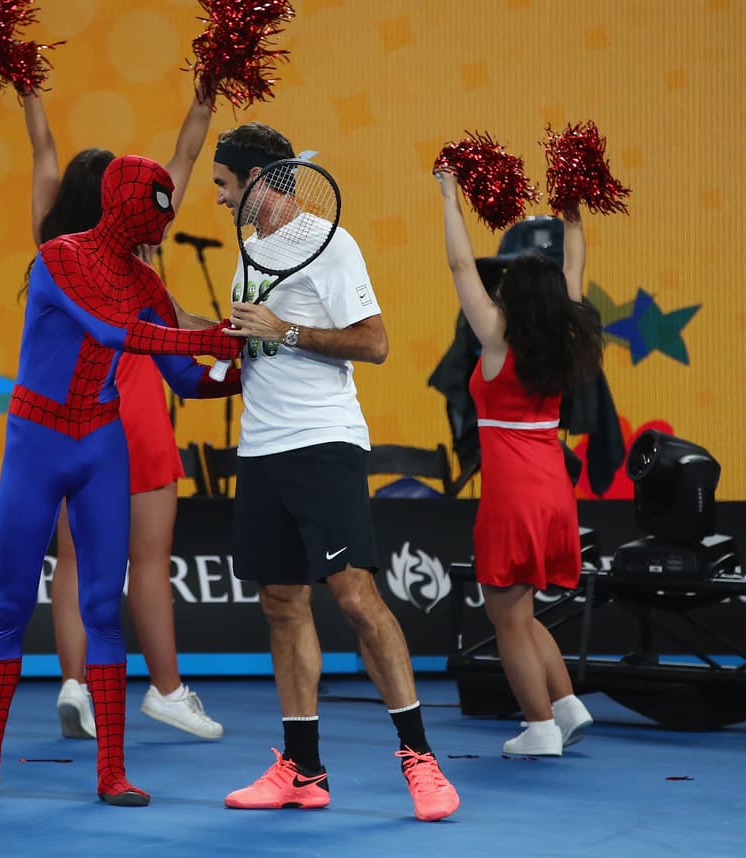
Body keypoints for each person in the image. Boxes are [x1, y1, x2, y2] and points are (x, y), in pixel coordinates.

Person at [0, 155, 242, 807]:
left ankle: (112, 772)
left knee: (104, 608)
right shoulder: (59, 258)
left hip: (100, 440)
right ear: (126, 204)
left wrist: (251, 371)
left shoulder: (146, 281)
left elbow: (186, 381)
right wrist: (211, 339)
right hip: (36, 441)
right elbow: (111, 329)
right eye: (158, 205)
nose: (165, 219)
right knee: (12, 604)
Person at [211, 122, 460, 822]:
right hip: (261, 450)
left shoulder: (331, 243)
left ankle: (420, 758)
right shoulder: (251, 251)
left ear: (260, 180)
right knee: (281, 605)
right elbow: (259, 351)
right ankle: (302, 771)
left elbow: (374, 343)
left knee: (354, 598)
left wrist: (283, 330)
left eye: (226, 185)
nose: (219, 200)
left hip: (324, 445)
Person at [21, 89, 225, 741]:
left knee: (74, 561)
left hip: (68, 417)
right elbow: (184, 157)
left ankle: (74, 686)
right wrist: (204, 95)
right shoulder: (136, 260)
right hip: (133, 411)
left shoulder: (52, 247)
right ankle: (166, 692)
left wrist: (28, 92)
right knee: (149, 563)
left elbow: (43, 152)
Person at [433, 168, 601, 756]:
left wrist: (450, 197)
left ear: (514, 298)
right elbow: (575, 270)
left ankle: (539, 729)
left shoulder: (498, 338)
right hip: (555, 489)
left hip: (512, 496)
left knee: (505, 615)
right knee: (523, 610)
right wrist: (573, 216)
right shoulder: (569, 333)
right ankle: (565, 704)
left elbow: (460, 267)